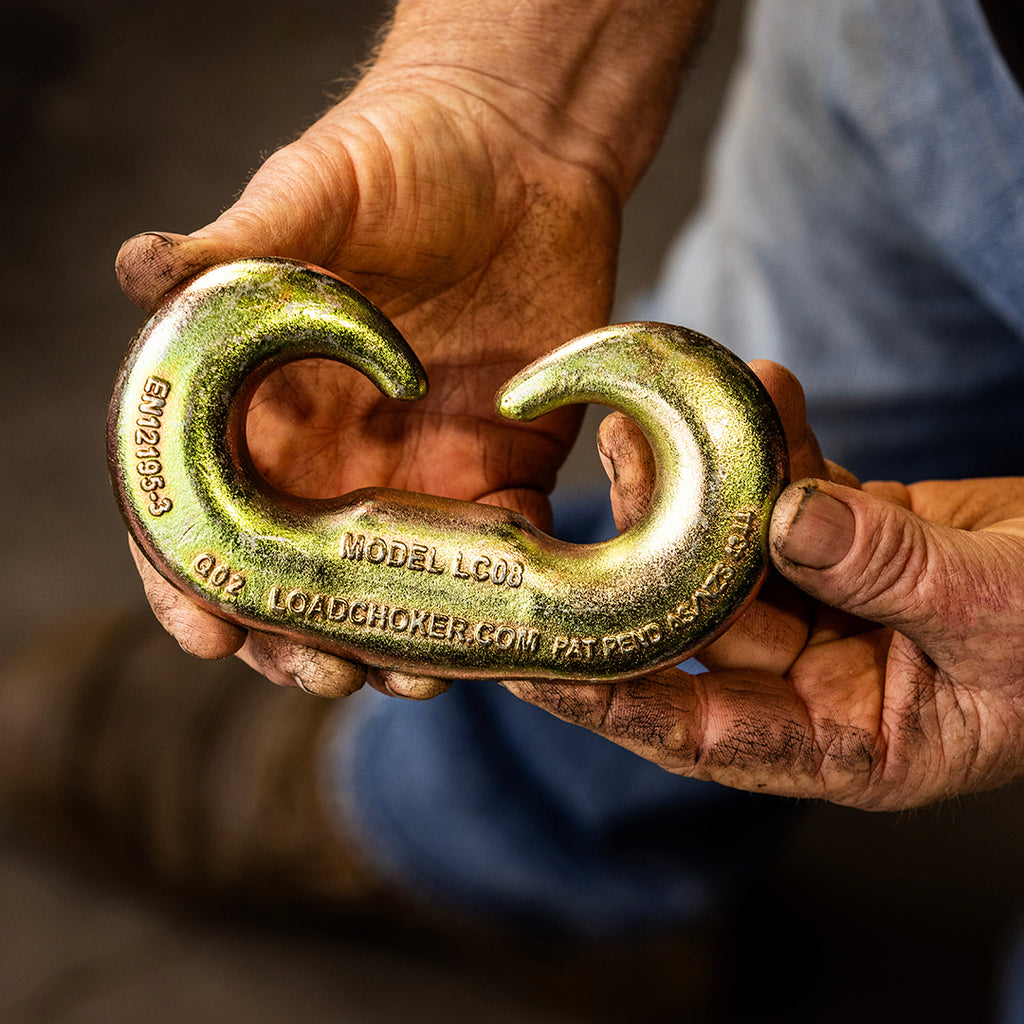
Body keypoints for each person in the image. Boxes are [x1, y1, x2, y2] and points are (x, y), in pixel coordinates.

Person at [3, 0, 1024, 955]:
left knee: (786, 576)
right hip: (937, 50)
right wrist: (506, 86)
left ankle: (452, 819)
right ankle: (443, 810)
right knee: (791, 537)